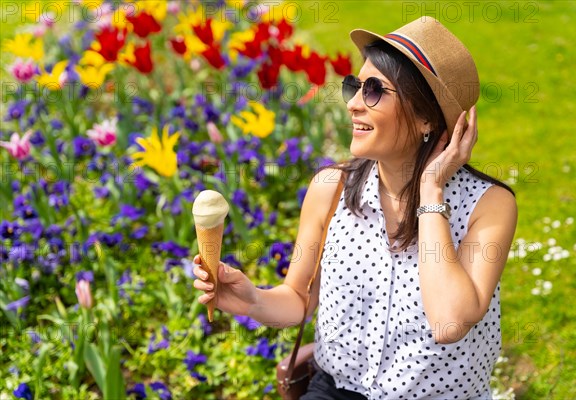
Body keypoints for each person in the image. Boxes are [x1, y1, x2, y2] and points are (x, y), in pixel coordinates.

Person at [193, 16, 517, 400]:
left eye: (375, 91)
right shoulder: (331, 189)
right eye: (355, 87)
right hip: (338, 390)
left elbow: (449, 323)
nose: (353, 105)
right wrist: (253, 300)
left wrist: (431, 192)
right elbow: (298, 299)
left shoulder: (488, 205)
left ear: (426, 116)